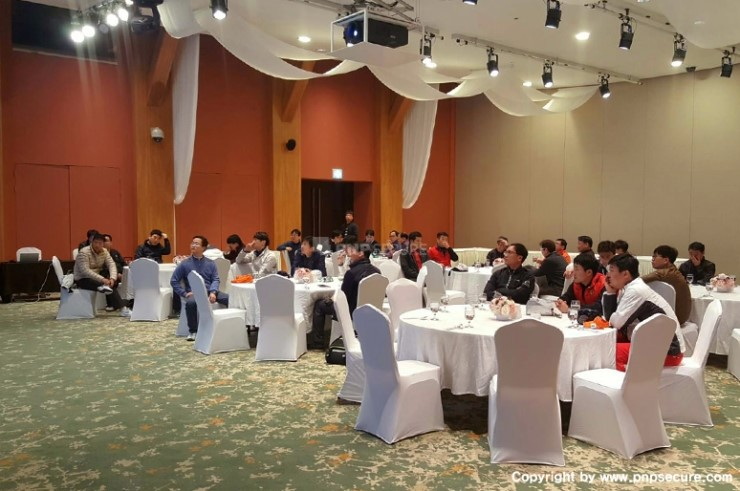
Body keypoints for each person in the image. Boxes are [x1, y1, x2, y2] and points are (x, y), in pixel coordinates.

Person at [603, 254, 684, 372]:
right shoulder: (629, 288)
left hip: (668, 352)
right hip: (655, 345)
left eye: (611, 270)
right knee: (606, 344)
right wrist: (610, 293)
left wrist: (611, 302)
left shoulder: (636, 290)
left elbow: (617, 323)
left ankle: (629, 382)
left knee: (607, 351)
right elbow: (612, 321)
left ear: (625, 274)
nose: (607, 275)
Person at [309, 243, 380, 349]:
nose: (349, 254)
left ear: (361, 254)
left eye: (353, 251)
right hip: (372, 311)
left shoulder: (351, 273)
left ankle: (317, 343)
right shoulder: (377, 272)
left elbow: (343, 298)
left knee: (319, 305)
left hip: (350, 311)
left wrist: (331, 299)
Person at [170, 236, 229, 341]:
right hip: (194, 293)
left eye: (197, 244)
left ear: (203, 248)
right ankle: (193, 331)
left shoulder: (210, 263)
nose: (193, 245)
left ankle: (228, 327)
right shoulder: (185, 264)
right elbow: (174, 281)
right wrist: (184, 293)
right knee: (191, 303)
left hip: (210, 291)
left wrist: (213, 292)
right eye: (192, 243)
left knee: (230, 299)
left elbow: (215, 279)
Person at [73, 233, 127, 314]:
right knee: (105, 285)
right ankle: (122, 308)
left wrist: (112, 278)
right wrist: (102, 279)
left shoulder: (104, 251)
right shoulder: (83, 252)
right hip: (82, 279)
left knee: (110, 284)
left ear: (103, 244)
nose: (97, 245)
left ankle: (117, 306)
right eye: (95, 242)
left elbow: (111, 264)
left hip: (96, 277)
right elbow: (85, 271)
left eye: (100, 243)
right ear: (92, 242)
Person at [643, 245, 691, 325]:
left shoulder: (665, 273)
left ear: (666, 260)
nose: (652, 259)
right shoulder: (673, 272)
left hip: (675, 318)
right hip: (680, 317)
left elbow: (639, 280)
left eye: (655, 256)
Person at [555, 253, 606, 318]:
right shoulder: (576, 284)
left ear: (589, 272)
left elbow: (599, 307)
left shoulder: (603, 284)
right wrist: (560, 302)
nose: (573, 273)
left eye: (576, 269)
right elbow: (566, 297)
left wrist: (570, 309)